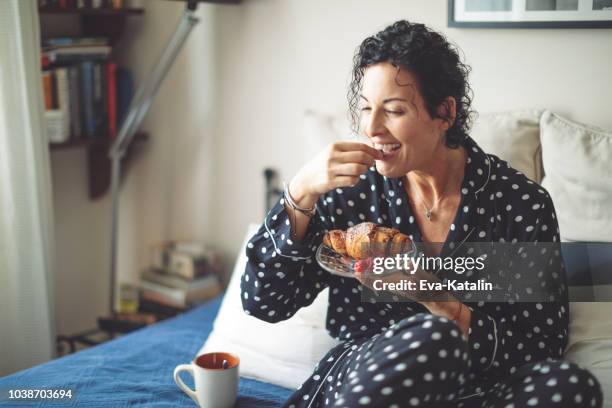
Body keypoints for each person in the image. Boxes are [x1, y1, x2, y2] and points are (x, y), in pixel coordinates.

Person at [241, 20, 602, 407]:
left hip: (478, 390)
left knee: (570, 384)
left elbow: (540, 345)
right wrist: (300, 191)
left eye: (393, 110)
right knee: (433, 338)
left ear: (445, 112)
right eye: (365, 108)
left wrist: (441, 302)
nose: (372, 127)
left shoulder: (517, 204)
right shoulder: (352, 194)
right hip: (369, 380)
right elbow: (264, 302)